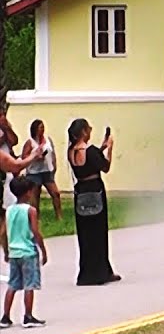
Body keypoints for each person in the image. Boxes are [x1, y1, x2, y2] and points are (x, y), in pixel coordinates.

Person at [68, 118, 120, 285]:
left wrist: (101, 147)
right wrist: (109, 149)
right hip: (95, 189)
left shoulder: (71, 151)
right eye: (89, 129)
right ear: (83, 131)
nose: (90, 131)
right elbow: (105, 166)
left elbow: (88, 162)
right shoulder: (90, 151)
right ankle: (102, 271)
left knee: (85, 233)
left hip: (81, 191)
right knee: (99, 231)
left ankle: (87, 272)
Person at [2, 176, 48, 328]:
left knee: (13, 285)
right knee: (30, 285)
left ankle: (5, 317)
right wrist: (43, 250)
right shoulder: (30, 210)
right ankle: (28, 316)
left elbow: (4, 233)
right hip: (28, 252)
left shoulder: (9, 210)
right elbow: (35, 231)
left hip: (14, 252)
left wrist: (6, 251)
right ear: (28, 192)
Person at [21, 119, 62, 221]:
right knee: (35, 197)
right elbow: (24, 157)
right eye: (40, 127)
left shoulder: (47, 140)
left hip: (47, 171)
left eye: (43, 127)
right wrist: (35, 157)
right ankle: (36, 218)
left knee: (55, 193)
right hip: (34, 173)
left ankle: (59, 216)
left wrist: (54, 164)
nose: (42, 129)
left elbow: (52, 153)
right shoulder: (30, 142)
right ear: (35, 129)